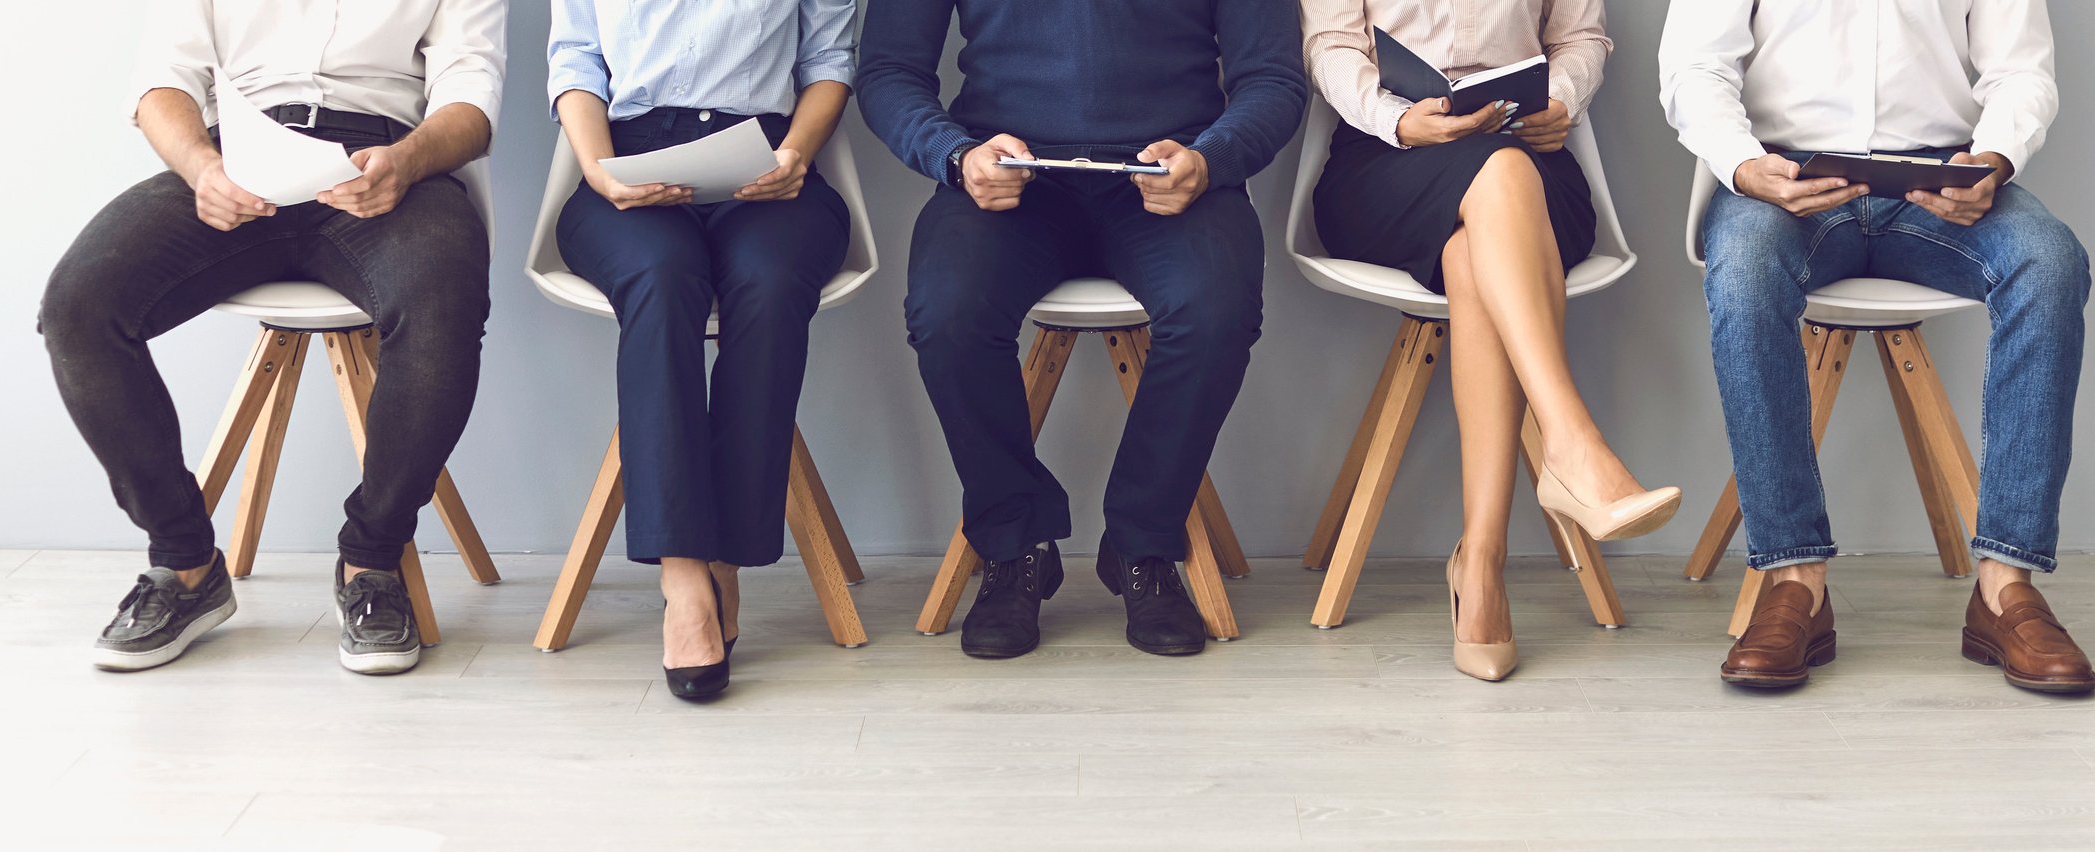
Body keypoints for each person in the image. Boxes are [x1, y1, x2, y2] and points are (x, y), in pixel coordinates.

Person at [46, 0, 504, 676]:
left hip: (383, 166)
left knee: (445, 302)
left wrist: (405, 162)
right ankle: (186, 564)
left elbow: (473, 95)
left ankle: (372, 561)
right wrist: (202, 169)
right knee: (78, 306)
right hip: (235, 160)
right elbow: (162, 81)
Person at [1659, 0, 2095, 692]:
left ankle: (2005, 588)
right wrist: (1744, 165)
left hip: (1937, 182)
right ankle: (1794, 578)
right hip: (1788, 180)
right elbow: (1695, 66)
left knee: (2050, 264)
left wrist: (1994, 158)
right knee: (1742, 276)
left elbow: (2020, 71)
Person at [858, 0, 1305, 659]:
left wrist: (1211, 159)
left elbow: (1272, 77)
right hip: (1010, 176)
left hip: (1170, 174)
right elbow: (888, 69)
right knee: (947, 314)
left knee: (1216, 312)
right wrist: (955, 156)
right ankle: (1014, 546)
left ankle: (1142, 543)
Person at [1302, 0, 1684, 683]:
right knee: (1492, 195)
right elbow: (1330, 45)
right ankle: (1570, 445)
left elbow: (1582, 38)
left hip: (1530, 166)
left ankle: (1480, 562)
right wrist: (1395, 118)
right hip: (1388, 161)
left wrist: (1561, 99)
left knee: (1476, 241)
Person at [546, 0, 857, 702]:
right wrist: (598, 171)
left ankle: (727, 560)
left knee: (771, 281)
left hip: (769, 162)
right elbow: (575, 62)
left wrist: (796, 154)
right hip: (627, 161)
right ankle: (684, 576)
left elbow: (830, 63)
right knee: (661, 276)